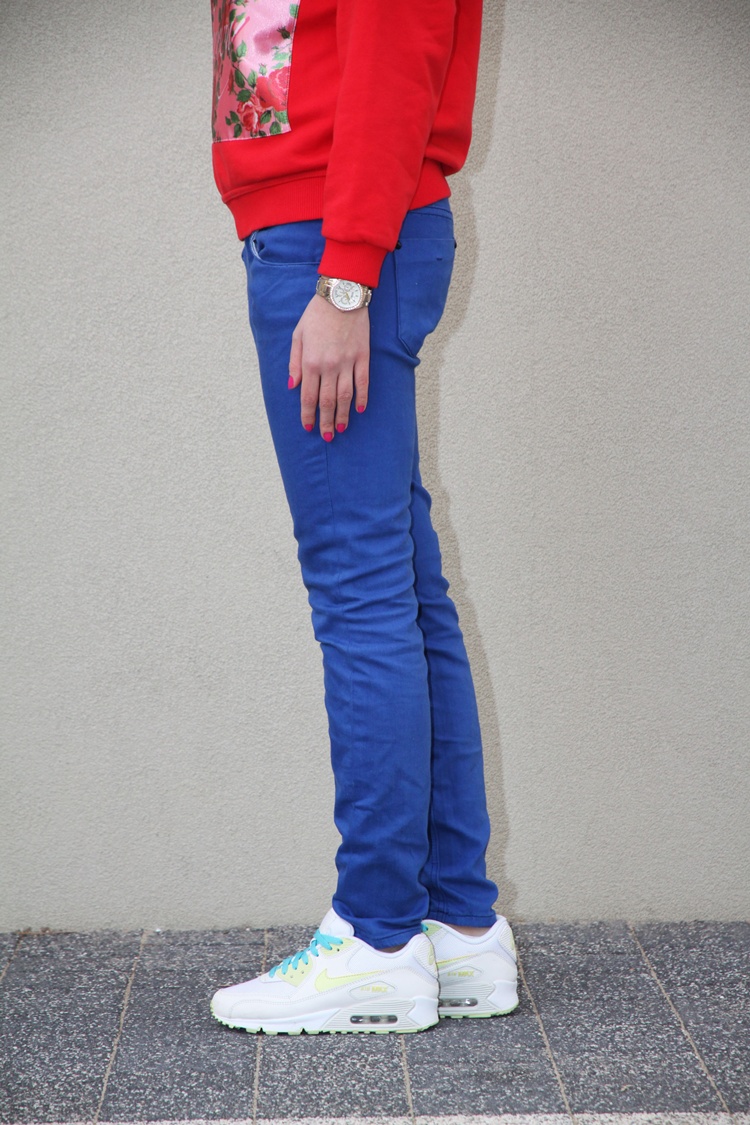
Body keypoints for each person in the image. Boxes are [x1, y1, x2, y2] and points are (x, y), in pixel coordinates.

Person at [208, 0, 518, 1035]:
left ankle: (377, 940)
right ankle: (456, 927)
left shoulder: (340, 259)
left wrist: (344, 278)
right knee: (401, 586)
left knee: (361, 592)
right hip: (335, 233)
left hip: (336, 243)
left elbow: (395, 58)